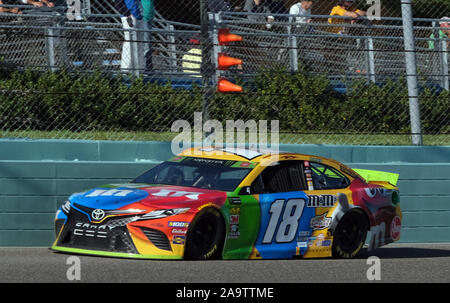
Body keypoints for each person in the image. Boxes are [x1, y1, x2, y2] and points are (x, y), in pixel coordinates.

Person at [117, 0, 155, 74]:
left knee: (140, 43)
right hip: (130, 15)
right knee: (129, 41)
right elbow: (118, 3)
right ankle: (126, 68)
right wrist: (127, 14)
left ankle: (140, 68)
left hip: (139, 15)